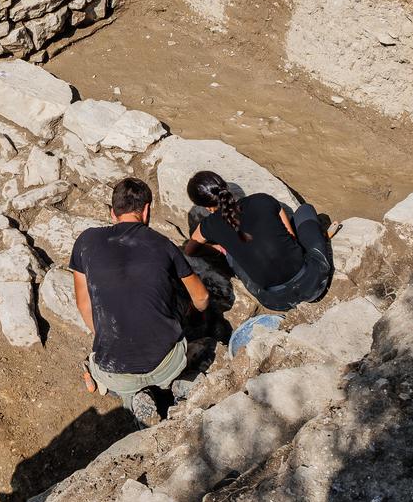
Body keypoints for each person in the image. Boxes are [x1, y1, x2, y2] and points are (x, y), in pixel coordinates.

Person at [70, 176, 210, 425]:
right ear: (146, 210)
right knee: (177, 296)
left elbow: (83, 304)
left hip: (116, 369)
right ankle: (176, 384)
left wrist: (105, 332)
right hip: (167, 362)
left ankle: (134, 399)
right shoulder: (164, 245)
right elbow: (202, 297)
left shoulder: (85, 242)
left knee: (102, 371)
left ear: (113, 213)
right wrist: (196, 313)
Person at [183, 171, 332, 312]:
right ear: (226, 188)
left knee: (231, 254)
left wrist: (219, 248)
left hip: (275, 301)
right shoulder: (262, 199)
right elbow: (292, 238)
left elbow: (190, 250)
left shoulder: (208, 226)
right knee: (305, 209)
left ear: (207, 207)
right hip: (315, 282)